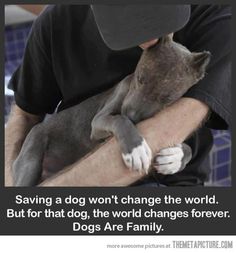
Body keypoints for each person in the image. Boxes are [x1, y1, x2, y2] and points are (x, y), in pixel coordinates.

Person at [5, 4, 231, 187]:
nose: (150, 37)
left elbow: (162, 137)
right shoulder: (57, 19)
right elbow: (25, 116)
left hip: (166, 184)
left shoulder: (218, 18)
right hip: (64, 160)